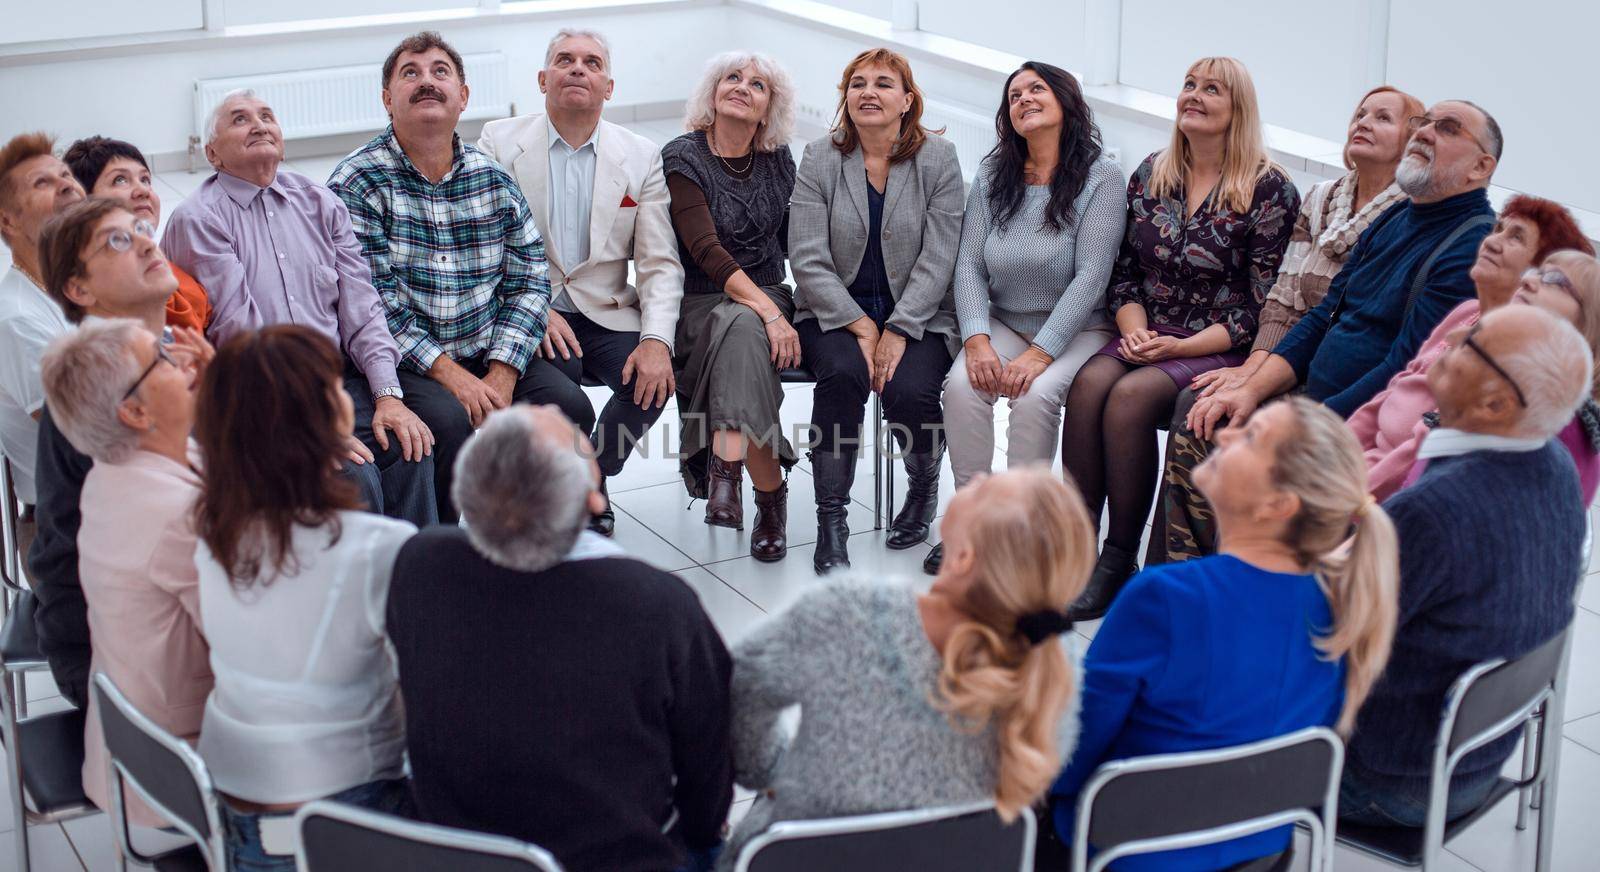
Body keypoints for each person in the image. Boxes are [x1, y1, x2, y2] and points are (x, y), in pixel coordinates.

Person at [1046, 396, 1398, 871]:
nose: (1225, 435)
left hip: (1126, 848)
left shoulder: (1168, 598)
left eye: (1250, 438)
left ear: (1278, 504)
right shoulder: (1343, 601)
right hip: (1259, 845)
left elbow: (1075, 744)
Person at [389, 405, 731, 872]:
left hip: (456, 851)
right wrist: (702, 835)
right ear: (593, 501)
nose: (549, 405)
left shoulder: (419, 563)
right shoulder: (655, 602)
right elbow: (709, 764)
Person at [1164, 99, 1502, 563]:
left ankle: (1237, 590)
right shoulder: (1396, 217)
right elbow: (1324, 316)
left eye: (1447, 128)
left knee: (1249, 465)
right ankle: (1183, 585)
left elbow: (1404, 368)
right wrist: (1248, 388)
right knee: (1203, 415)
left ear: (1481, 166)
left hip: (1365, 422)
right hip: (1316, 394)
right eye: (1423, 124)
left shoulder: (1470, 245)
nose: (1424, 133)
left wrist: (1304, 422)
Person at [721, 468, 1091, 868]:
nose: (980, 474)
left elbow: (739, 686)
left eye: (985, 487)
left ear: (964, 556)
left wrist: (770, 772)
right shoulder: (1052, 662)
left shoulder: (848, 614)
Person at [1060, 57, 1299, 618]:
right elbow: (1123, 274)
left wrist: (1179, 348)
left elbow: (1261, 302)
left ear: (1237, 107)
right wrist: (1136, 330)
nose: (1194, 95)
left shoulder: (1268, 189)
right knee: (1088, 383)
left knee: (1129, 398)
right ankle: (1074, 548)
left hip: (1219, 341)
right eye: (1189, 85)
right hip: (1148, 328)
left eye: (1211, 89)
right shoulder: (1153, 172)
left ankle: (1120, 560)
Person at [1341, 305, 1589, 827]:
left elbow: (1331, 643)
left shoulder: (1434, 511)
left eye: (1473, 341)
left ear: (1497, 402)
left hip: (1390, 779)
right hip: (1474, 754)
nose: (1453, 334)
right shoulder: (1555, 464)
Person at [192, 325, 415, 872]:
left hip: (235, 813)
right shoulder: (377, 547)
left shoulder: (210, 529)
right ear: (320, 422)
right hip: (343, 816)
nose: (348, 394)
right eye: (336, 387)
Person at [165, 90, 437, 526]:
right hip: (259, 397)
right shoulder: (199, 218)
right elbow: (240, 330)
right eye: (239, 119)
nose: (258, 124)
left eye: (266, 116)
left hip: (335, 380)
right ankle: (358, 592)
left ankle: (417, 587)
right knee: (354, 474)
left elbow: (362, 308)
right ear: (213, 154)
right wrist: (305, 422)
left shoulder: (319, 201)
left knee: (409, 449)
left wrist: (389, 396)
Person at [329, 31, 558, 523]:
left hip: (485, 347)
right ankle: (452, 546)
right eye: (409, 73)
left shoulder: (492, 178)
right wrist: (451, 375)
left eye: (440, 72)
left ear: (463, 97)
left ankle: (543, 527)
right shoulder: (357, 182)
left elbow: (531, 280)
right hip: (407, 364)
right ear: (388, 99)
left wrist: (503, 369)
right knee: (446, 420)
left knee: (568, 405)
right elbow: (372, 303)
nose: (426, 82)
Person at [477, 29, 684, 537]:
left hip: (606, 307)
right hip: (529, 305)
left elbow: (658, 262)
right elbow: (483, 247)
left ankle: (588, 474)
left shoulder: (640, 155)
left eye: (591, 62)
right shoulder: (498, 142)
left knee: (652, 385)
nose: (577, 69)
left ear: (607, 86)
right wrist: (530, 306)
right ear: (543, 79)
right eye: (564, 60)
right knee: (561, 385)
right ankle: (574, 493)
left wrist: (656, 340)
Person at [924, 61, 1123, 576]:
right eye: (1014, 95)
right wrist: (976, 338)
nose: (1024, 99)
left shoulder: (1102, 177)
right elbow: (968, 263)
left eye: (1037, 89)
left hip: (1080, 327)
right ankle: (972, 520)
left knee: (1035, 397)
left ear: (1066, 102)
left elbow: (1092, 277)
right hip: (1007, 318)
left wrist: (1041, 352)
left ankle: (1023, 527)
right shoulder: (994, 174)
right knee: (964, 387)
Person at [788, 48, 963, 573]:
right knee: (842, 376)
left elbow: (940, 255)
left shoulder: (939, 158)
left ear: (907, 101)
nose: (869, 92)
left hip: (923, 314)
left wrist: (900, 328)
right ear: (845, 97)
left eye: (884, 84)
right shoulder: (820, 157)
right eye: (857, 83)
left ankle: (923, 487)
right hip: (832, 311)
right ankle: (831, 521)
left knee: (910, 391)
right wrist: (862, 326)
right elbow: (808, 258)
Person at [31, 197, 201, 710]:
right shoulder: (100, 391)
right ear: (79, 289)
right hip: (119, 652)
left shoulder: (168, 348)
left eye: (142, 228)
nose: (149, 242)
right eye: (118, 241)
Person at [39, 319, 209, 828]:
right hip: (181, 772)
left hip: (131, 747)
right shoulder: (177, 516)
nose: (183, 361)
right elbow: (264, 648)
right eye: (162, 358)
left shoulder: (114, 472)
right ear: (134, 411)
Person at [1349, 198, 1594, 500]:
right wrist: (1329, 452)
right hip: (1355, 467)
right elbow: (1393, 389)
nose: (1491, 240)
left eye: (1516, 237)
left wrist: (1333, 497)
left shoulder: (1510, 366)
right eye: (1498, 229)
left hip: (1375, 497)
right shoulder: (1466, 312)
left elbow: (1421, 454)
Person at [663, 51, 798, 561]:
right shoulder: (684, 156)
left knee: (741, 326)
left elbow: (793, 241)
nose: (742, 87)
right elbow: (704, 250)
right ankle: (771, 498)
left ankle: (725, 476)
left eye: (758, 85)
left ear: (767, 110)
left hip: (767, 295)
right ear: (713, 93)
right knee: (743, 325)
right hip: (700, 300)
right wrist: (770, 313)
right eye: (732, 78)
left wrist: (794, 306)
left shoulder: (779, 159)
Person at [0, 133, 83, 524]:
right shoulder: (15, 316)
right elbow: (80, 431)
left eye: (66, 175)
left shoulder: (85, 290)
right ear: (7, 219)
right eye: (42, 182)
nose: (67, 183)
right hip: (69, 523)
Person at [62, 135, 212, 331]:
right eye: (120, 180)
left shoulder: (175, 277)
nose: (142, 190)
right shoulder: (103, 299)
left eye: (145, 179)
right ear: (84, 203)